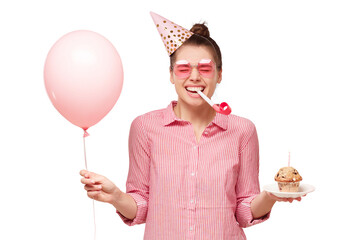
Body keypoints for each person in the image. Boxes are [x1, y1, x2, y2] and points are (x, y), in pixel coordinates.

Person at [80, 12, 302, 240]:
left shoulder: (242, 130)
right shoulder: (144, 127)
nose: (194, 77)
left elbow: (245, 211)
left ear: (219, 75)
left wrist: (272, 196)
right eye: (183, 69)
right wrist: (116, 196)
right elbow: (142, 206)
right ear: (171, 75)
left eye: (205, 69)